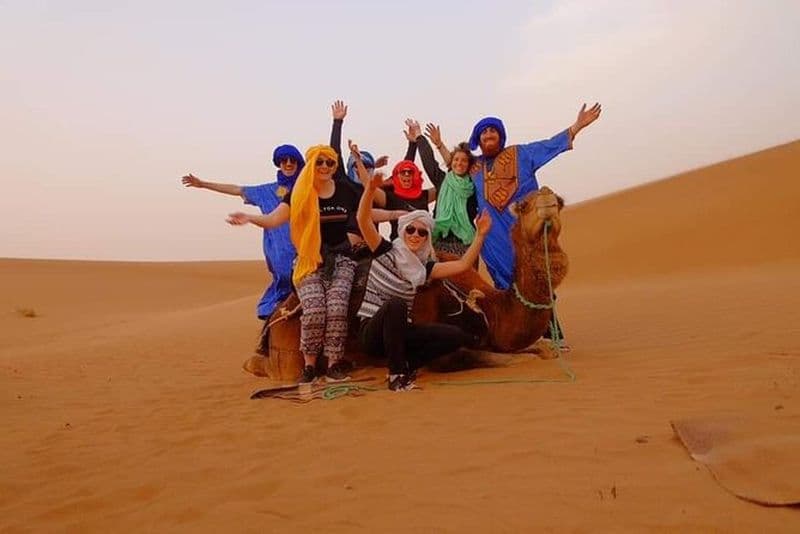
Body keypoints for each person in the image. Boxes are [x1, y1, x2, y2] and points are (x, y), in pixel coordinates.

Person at [351, 144, 493, 391]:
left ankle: (408, 363)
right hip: (372, 332)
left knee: (455, 336)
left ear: (427, 237)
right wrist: (370, 189)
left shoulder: (424, 267)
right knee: (395, 304)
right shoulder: (385, 249)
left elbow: (462, 264)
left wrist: (480, 235)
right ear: (403, 231)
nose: (415, 235)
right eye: (410, 230)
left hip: (400, 332)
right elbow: (363, 220)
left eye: (422, 232)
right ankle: (396, 377)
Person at [469, 102, 602, 346]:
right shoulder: (473, 167)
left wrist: (577, 127)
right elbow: (449, 177)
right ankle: (520, 336)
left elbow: (550, 145)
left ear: (500, 136)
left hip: (525, 234)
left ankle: (553, 332)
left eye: (492, 131)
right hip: (494, 239)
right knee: (506, 286)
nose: (488, 135)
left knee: (536, 281)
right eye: (483, 132)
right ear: (478, 139)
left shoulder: (522, 154)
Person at [227, 145, 361, 384]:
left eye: (329, 163)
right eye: (319, 162)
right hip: (309, 260)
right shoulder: (298, 193)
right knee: (315, 308)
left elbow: (364, 214)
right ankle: (309, 365)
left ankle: (333, 365)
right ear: (310, 165)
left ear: (335, 167)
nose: (324, 167)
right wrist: (250, 218)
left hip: (341, 259)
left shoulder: (346, 191)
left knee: (338, 306)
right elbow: (274, 219)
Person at [181, 144, 304, 319]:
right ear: (279, 163)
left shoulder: (310, 188)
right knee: (282, 291)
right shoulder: (267, 191)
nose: (289, 163)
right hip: (280, 251)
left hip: (307, 249)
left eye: (293, 160)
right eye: (284, 160)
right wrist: (203, 184)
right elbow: (237, 189)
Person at [412, 122, 478, 256]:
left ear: (469, 165)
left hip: (466, 244)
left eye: (464, 160)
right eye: (456, 159)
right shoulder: (442, 180)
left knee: (464, 276)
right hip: (440, 240)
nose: (459, 163)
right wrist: (419, 136)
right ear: (451, 163)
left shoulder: (474, 186)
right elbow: (428, 160)